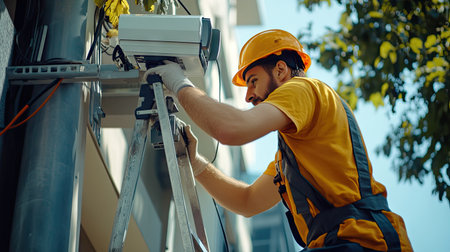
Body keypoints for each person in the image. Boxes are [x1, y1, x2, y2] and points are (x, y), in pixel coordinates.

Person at [146, 29, 412, 251]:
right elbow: (248, 201)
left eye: (253, 81)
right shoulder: (296, 153)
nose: (248, 96)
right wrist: (196, 163)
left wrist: (178, 82)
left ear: (281, 70)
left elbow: (231, 129)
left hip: (362, 241)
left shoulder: (303, 89)